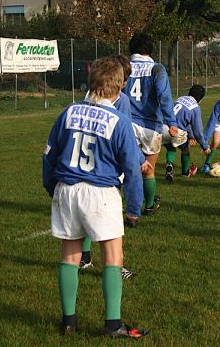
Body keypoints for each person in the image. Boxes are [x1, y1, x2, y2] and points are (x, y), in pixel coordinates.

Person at [42, 57, 149, 338]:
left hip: (67, 188)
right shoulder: (118, 120)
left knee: (70, 254)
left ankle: (68, 320)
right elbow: (131, 170)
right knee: (113, 256)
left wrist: (52, 187)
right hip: (100, 193)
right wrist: (134, 208)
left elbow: (49, 154)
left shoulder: (68, 112)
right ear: (119, 87)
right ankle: (112, 324)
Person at [122, 33, 179, 226]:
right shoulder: (157, 69)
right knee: (149, 169)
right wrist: (171, 122)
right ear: (150, 49)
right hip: (150, 126)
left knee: (127, 169)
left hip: (126, 124)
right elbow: (164, 97)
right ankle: (148, 205)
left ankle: (129, 209)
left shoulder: (124, 68)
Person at [163, 84, 211, 181]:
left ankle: (169, 164)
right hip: (176, 130)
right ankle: (185, 173)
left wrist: (190, 136)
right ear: (200, 98)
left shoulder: (180, 98)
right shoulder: (195, 108)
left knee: (171, 148)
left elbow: (186, 123)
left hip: (163, 127)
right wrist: (204, 146)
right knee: (185, 150)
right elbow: (198, 131)